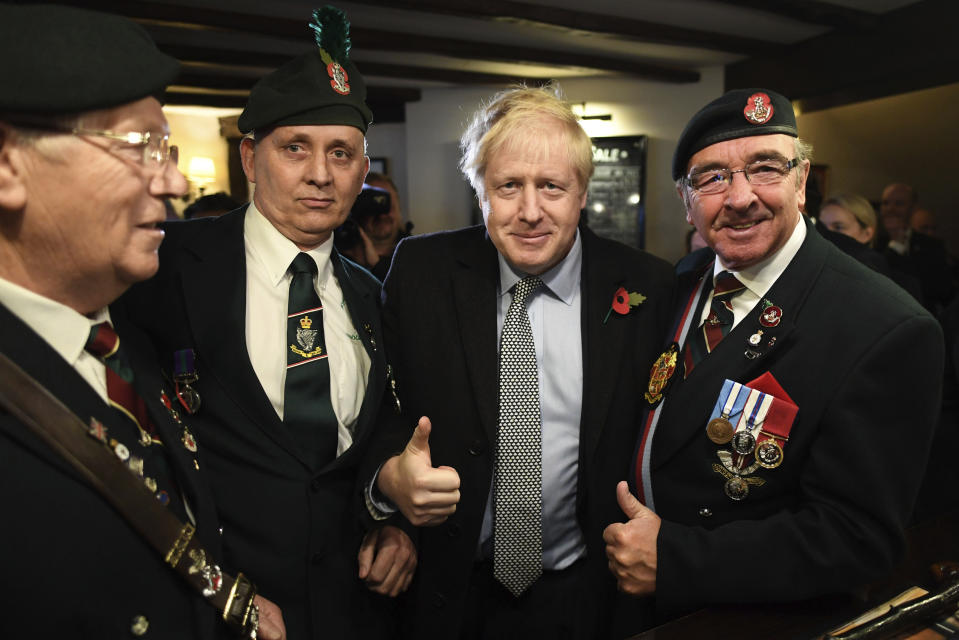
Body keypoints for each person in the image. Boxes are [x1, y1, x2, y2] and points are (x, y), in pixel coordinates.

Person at [121, 6, 414, 639]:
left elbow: (375, 442)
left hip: (353, 609)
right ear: (251, 159)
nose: (320, 174)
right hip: (214, 610)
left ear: (364, 170)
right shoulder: (163, 268)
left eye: (342, 153)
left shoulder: (371, 295)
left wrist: (393, 525)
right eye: (295, 149)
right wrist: (213, 585)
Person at [604, 89, 944, 633]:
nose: (739, 198)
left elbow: (859, 537)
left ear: (802, 180)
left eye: (764, 168)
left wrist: (679, 559)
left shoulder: (882, 326)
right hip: (633, 606)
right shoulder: (685, 281)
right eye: (711, 178)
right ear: (686, 200)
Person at [0, 5, 284, 639]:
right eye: (139, 146)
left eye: (169, 148)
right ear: (8, 164)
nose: (176, 179)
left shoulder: (123, 340)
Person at [361, 84, 674, 639]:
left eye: (551, 187)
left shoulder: (645, 286)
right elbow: (374, 409)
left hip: (591, 594)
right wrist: (387, 481)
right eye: (508, 186)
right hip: (448, 592)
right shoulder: (422, 273)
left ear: (582, 193)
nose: (530, 212)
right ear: (480, 192)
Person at [880, 182, 955, 313]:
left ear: (913, 208)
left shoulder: (932, 245)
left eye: (898, 204)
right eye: (885, 203)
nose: (890, 209)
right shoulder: (871, 240)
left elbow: (942, 290)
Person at [360, 172, 412, 279]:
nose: (383, 214)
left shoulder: (419, 255)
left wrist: (377, 265)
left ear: (399, 209)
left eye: (387, 204)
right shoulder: (338, 257)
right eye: (375, 205)